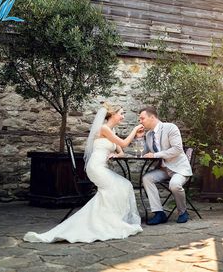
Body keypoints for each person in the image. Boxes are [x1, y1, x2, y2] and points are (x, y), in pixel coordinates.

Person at [23, 103, 144, 243]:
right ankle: (105, 222)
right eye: (121, 113)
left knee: (124, 185)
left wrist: (116, 154)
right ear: (112, 114)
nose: (123, 116)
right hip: (96, 168)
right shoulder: (104, 128)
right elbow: (123, 144)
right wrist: (134, 130)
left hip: (102, 167)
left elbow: (120, 150)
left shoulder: (112, 131)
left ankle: (107, 220)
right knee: (119, 186)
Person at [139, 106, 192, 224]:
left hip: (179, 168)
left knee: (174, 184)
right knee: (146, 178)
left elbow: (177, 149)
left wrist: (156, 155)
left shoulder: (170, 128)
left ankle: (183, 212)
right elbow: (143, 154)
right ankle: (159, 213)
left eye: (142, 119)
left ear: (152, 117)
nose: (140, 122)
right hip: (164, 170)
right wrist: (139, 139)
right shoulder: (148, 135)